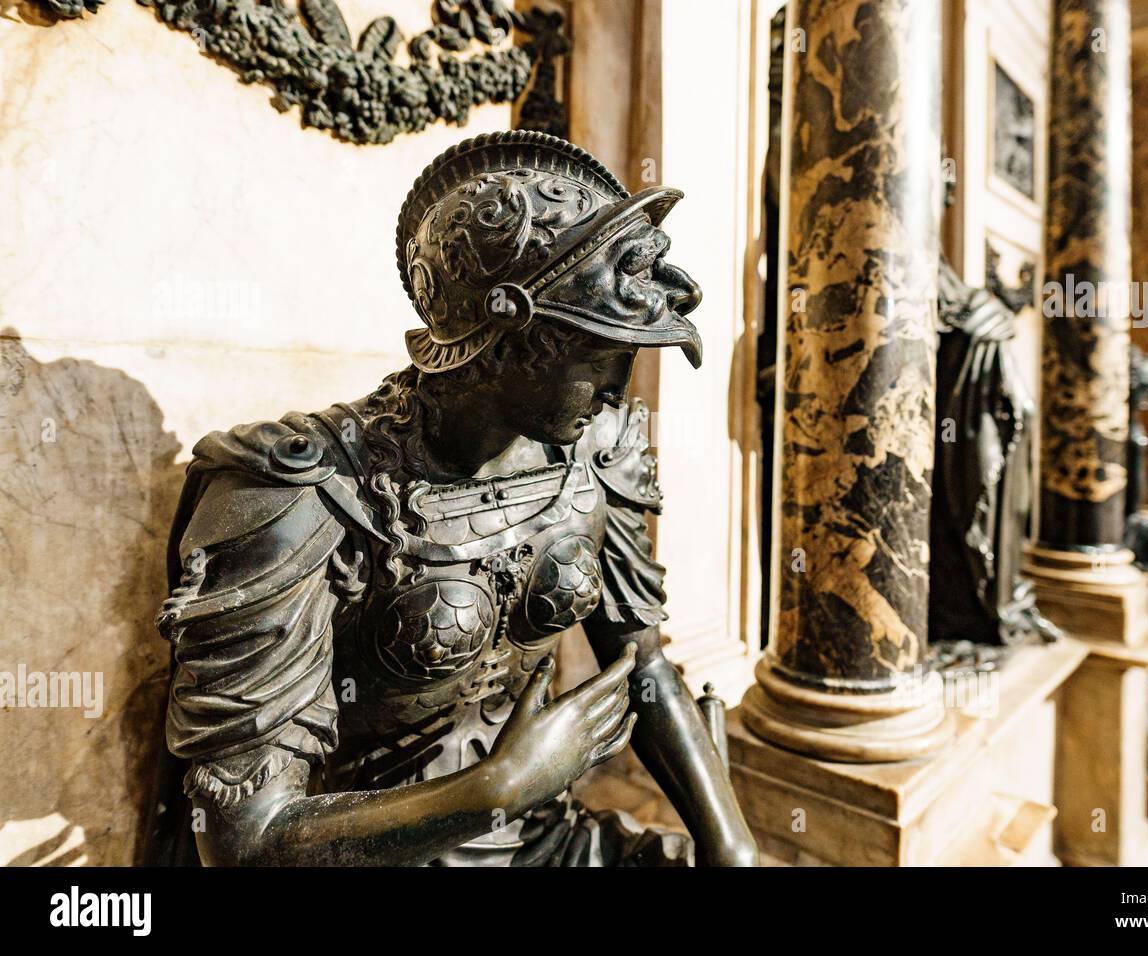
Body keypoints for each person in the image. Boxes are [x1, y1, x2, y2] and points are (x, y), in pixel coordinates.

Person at [152, 131, 759, 867]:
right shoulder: (294, 497)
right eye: (598, 359)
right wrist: (495, 788)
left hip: (543, 839)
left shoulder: (599, 452)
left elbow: (643, 668)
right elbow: (241, 841)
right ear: (507, 342)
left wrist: (732, 845)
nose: (617, 394)